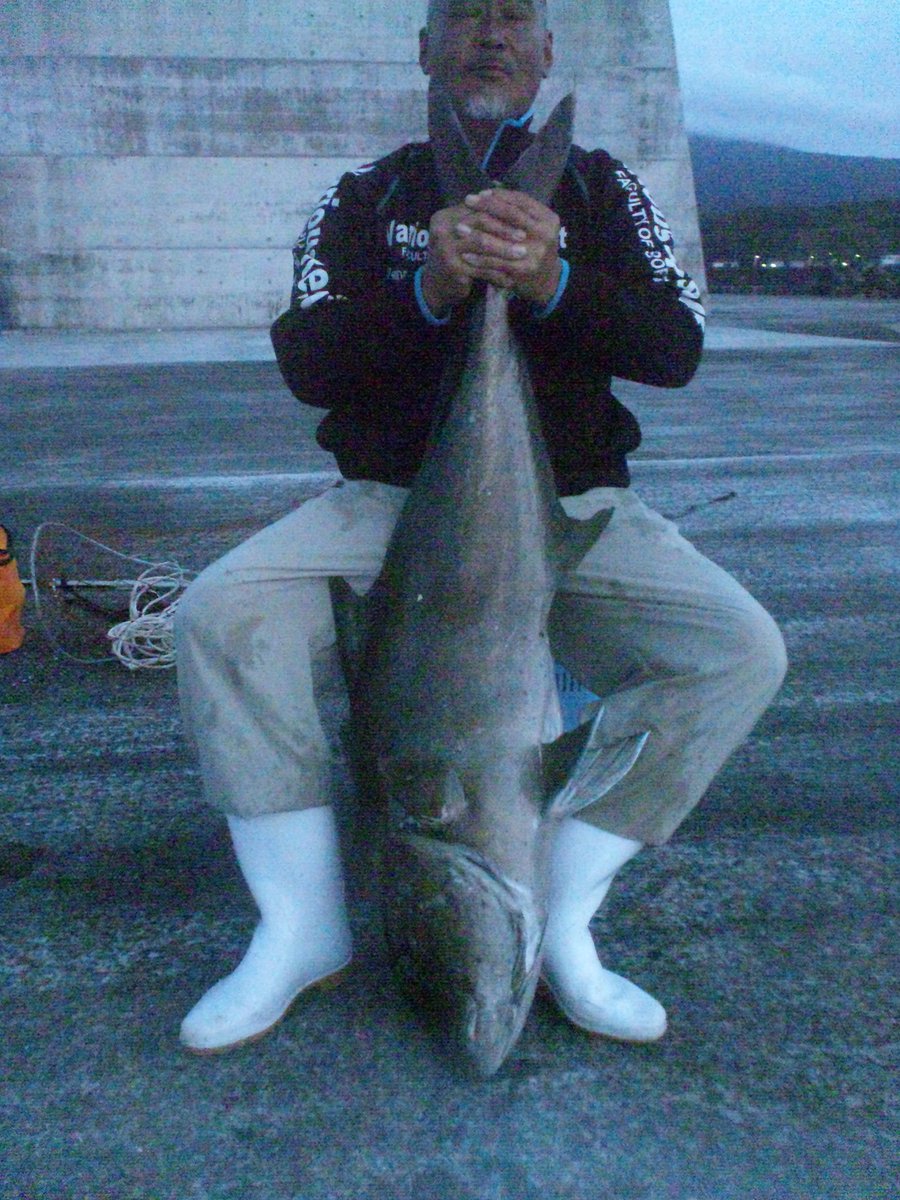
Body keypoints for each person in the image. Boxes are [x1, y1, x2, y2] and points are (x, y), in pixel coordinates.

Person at [175, 0, 786, 1054]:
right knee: (221, 614)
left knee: (738, 650)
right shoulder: (366, 198)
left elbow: (675, 343)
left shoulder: (599, 189)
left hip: (579, 503)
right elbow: (308, 360)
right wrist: (435, 283)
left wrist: (547, 279)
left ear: (547, 50)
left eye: (516, 18)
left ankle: (567, 919)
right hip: (387, 502)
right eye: (464, 16)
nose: (490, 34)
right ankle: (302, 927)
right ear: (425, 47)